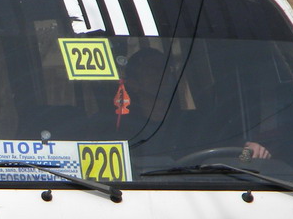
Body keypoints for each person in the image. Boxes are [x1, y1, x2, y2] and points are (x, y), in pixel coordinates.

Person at [102, 48, 271, 160]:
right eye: (154, 70)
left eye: (168, 69)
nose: (165, 75)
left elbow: (226, 145)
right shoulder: (116, 126)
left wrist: (251, 147)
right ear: (133, 84)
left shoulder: (196, 122)